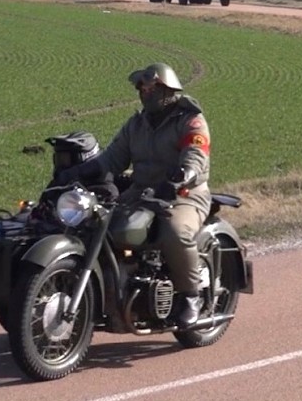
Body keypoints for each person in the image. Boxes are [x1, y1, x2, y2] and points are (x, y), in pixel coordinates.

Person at [51, 62, 212, 327]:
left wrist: (183, 176)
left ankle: (190, 296)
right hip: (142, 192)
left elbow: (196, 154)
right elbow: (111, 159)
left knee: (175, 231)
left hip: (184, 194)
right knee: (97, 223)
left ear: (167, 90)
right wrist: (76, 173)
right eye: (141, 88)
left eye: (149, 87)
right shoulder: (136, 124)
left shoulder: (190, 120)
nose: (143, 92)